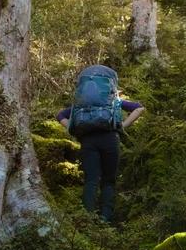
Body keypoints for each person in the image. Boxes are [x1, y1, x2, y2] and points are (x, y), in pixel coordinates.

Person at [57, 83, 145, 223]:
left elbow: (60, 115)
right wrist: (123, 126)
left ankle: (87, 218)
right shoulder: (114, 101)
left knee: (91, 180)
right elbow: (139, 108)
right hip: (110, 139)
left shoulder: (81, 104)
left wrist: (72, 128)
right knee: (108, 180)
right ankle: (105, 218)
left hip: (88, 141)